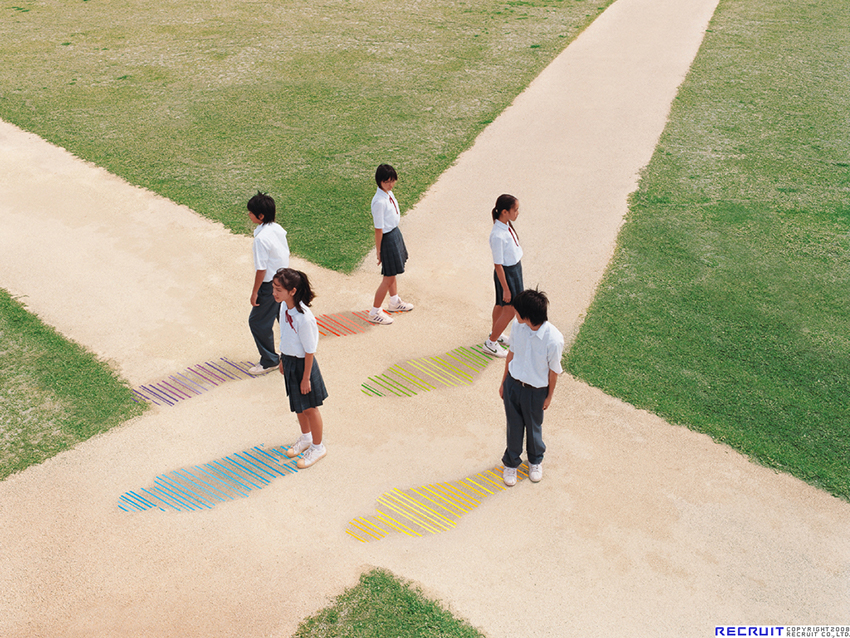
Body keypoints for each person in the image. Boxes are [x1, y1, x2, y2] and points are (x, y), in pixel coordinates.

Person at [498, 289, 564, 487]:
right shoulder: (518, 326)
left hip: (535, 391)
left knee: (534, 428)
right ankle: (511, 463)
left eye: (517, 311)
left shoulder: (553, 339)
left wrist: (549, 397)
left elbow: (554, 372)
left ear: (527, 316)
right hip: (513, 384)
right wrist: (504, 382)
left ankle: (535, 461)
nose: (514, 314)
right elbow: (511, 354)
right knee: (514, 426)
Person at [273, 268, 328, 469]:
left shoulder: (305, 318)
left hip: (304, 366)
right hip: (289, 360)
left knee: (310, 409)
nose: (274, 293)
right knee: (298, 405)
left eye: (278, 289)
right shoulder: (283, 307)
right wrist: (282, 359)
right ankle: (306, 438)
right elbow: (285, 335)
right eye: (274, 288)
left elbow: (310, 351)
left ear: (293, 291)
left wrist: (306, 378)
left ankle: (318, 446)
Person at [247, 192, 290, 375]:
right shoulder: (277, 229)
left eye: (251, 212)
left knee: (257, 322)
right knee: (285, 318)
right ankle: (292, 353)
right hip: (284, 279)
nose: (248, 214)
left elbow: (261, 269)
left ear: (261, 216)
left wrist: (255, 291)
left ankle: (270, 360)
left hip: (270, 285)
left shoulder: (260, 239)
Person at [367, 164, 414, 325]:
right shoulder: (379, 201)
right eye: (387, 181)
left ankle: (394, 302)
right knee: (388, 277)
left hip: (394, 234)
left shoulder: (388, 193)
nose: (391, 184)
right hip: (387, 238)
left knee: (392, 273)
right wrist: (379, 250)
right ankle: (374, 312)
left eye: (392, 180)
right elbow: (378, 229)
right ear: (379, 182)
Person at [484, 194, 523, 357]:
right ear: (505, 212)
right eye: (515, 210)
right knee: (511, 309)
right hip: (507, 274)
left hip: (514, 270)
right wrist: (506, 289)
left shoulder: (505, 225)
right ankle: (491, 343)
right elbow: (498, 265)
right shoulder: (498, 235)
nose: (517, 213)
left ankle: (496, 334)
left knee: (500, 305)